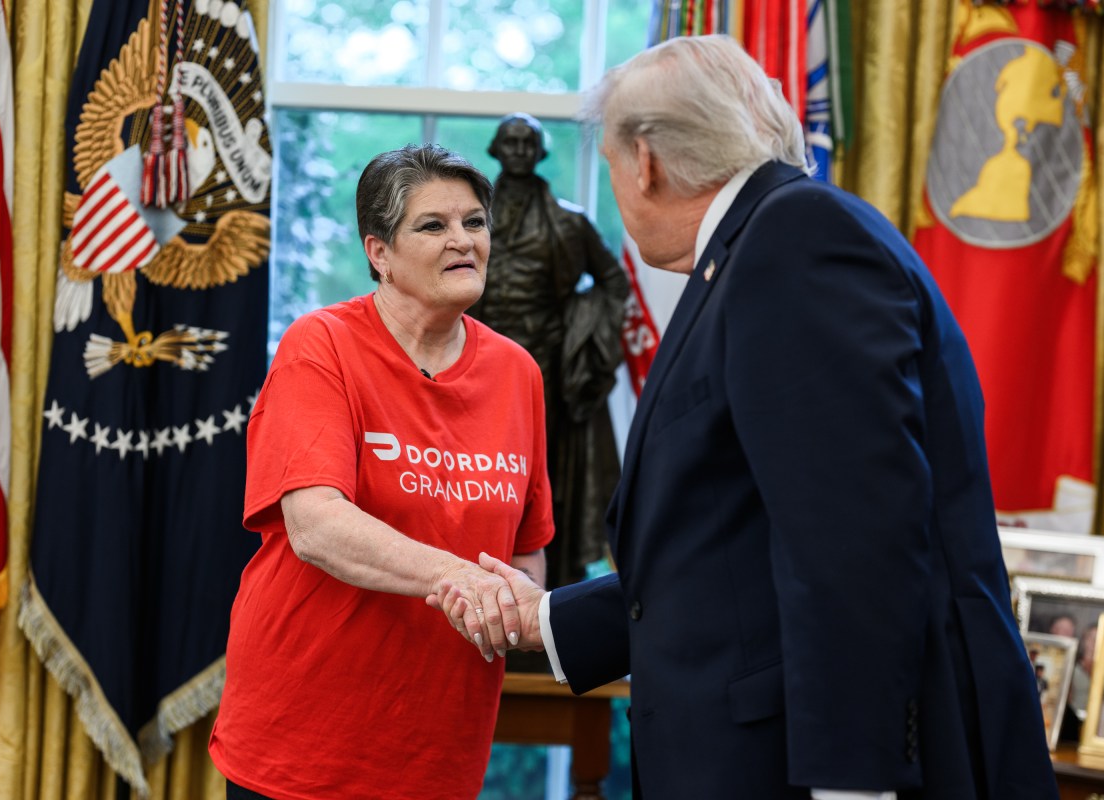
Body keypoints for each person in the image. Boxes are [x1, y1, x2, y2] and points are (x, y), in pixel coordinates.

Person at [434, 34, 1058, 799]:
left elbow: (856, 540)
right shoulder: (764, 244)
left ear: (646, 162)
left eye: (608, 167)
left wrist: (855, 784)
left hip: (819, 768)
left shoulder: (796, 242)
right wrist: (551, 621)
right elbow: (744, 542)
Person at [209, 143, 553, 800]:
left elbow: (526, 550)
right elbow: (315, 525)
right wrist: (456, 577)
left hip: (439, 748)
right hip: (304, 743)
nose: (463, 241)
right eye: (433, 225)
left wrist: (512, 608)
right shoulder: (323, 345)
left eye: (474, 222)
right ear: (379, 253)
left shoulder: (518, 373)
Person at [470, 112, 629, 591]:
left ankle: (543, 596)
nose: (518, 151)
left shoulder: (570, 223)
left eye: (528, 143)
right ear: (495, 151)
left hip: (546, 370)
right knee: (468, 478)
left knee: (541, 483)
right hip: (472, 366)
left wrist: (583, 335)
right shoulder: (464, 221)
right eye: (510, 143)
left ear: (541, 153)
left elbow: (614, 283)